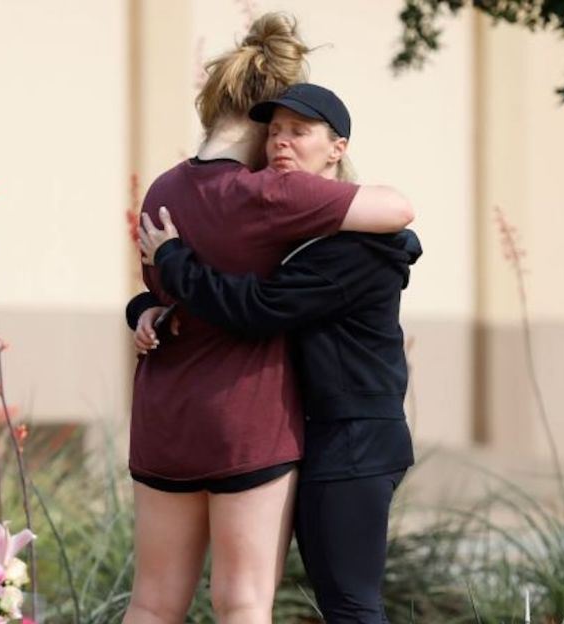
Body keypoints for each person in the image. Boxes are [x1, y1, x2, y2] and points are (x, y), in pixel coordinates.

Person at [123, 13, 415, 624]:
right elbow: (396, 209)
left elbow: (161, 287)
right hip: (245, 420)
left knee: (151, 603)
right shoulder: (273, 195)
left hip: (163, 416)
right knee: (244, 603)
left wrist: (147, 305)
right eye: (276, 126)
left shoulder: (161, 192)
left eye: (294, 130)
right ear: (260, 118)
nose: (281, 143)